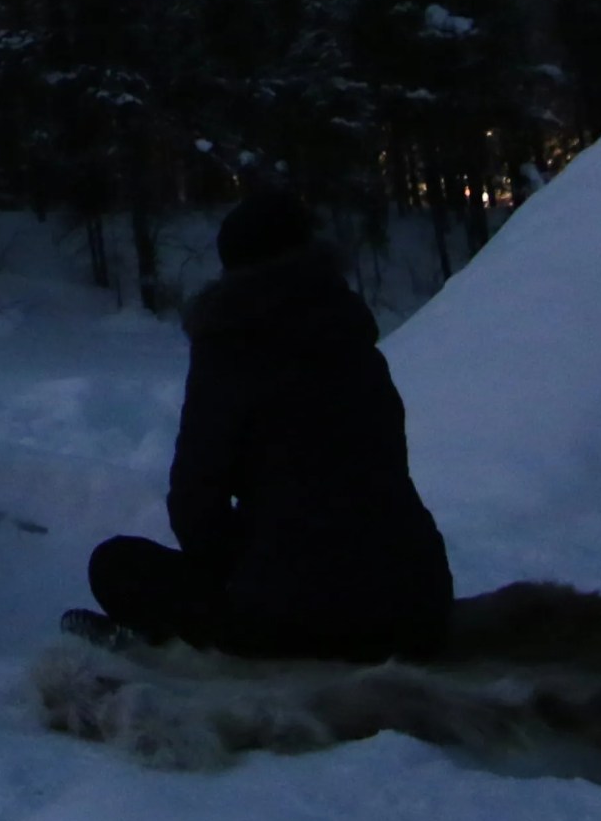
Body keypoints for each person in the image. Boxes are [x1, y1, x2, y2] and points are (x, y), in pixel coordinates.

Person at [69, 188, 453, 663]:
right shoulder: (354, 341)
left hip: (298, 618)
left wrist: (238, 571)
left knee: (114, 565)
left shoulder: (229, 350)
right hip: (419, 601)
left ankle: (184, 644)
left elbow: (195, 500)